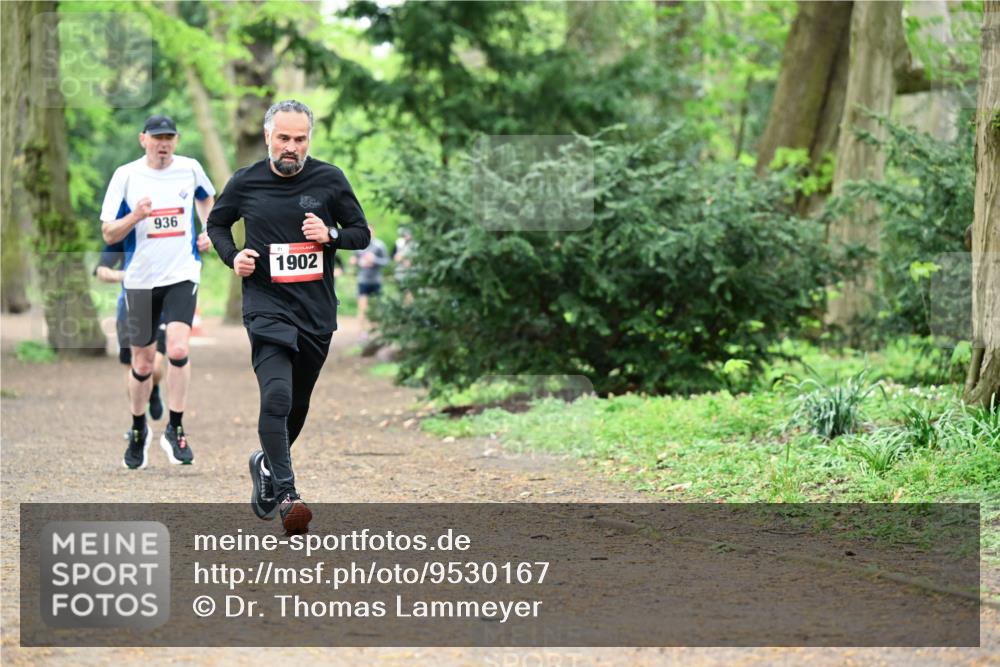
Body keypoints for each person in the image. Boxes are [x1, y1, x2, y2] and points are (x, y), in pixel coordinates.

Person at [207, 99, 370, 535]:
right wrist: (233, 256)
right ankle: (288, 496)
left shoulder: (330, 179)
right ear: (267, 137)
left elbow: (361, 233)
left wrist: (330, 234)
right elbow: (217, 225)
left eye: (300, 139)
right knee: (276, 397)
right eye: (284, 138)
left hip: (316, 313)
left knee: (296, 406)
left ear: (308, 139)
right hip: (266, 307)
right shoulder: (245, 181)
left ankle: (264, 464)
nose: (291, 147)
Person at [100, 114, 215, 470]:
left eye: (169, 137)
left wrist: (209, 229)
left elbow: (207, 197)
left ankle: (175, 427)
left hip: (182, 272)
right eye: (157, 138)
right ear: (143, 139)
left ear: (176, 140)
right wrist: (135, 216)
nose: (163, 144)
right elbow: (109, 234)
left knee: (179, 348)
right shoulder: (126, 175)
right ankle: (138, 429)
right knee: (143, 362)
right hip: (140, 280)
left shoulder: (191, 168)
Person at [94, 242, 167, 421]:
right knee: (133, 370)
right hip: (128, 311)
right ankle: (138, 423)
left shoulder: (163, 235)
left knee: (154, 368)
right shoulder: (124, 232)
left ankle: (153, 388)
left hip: (160, 308)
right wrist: (126, 275)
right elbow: (101, 271)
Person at [349, 225, 389, 332]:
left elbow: (386, 261)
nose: (369, 233)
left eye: (371, 231)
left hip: (376, 280)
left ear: (374, 232)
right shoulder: (359, 245)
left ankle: (375, 331)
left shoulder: (380, 245)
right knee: (362, 307)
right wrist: (355, 262)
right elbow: (354, 260)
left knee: (376, 307)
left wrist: (374, 260)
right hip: (363, 280)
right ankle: (361, 332)